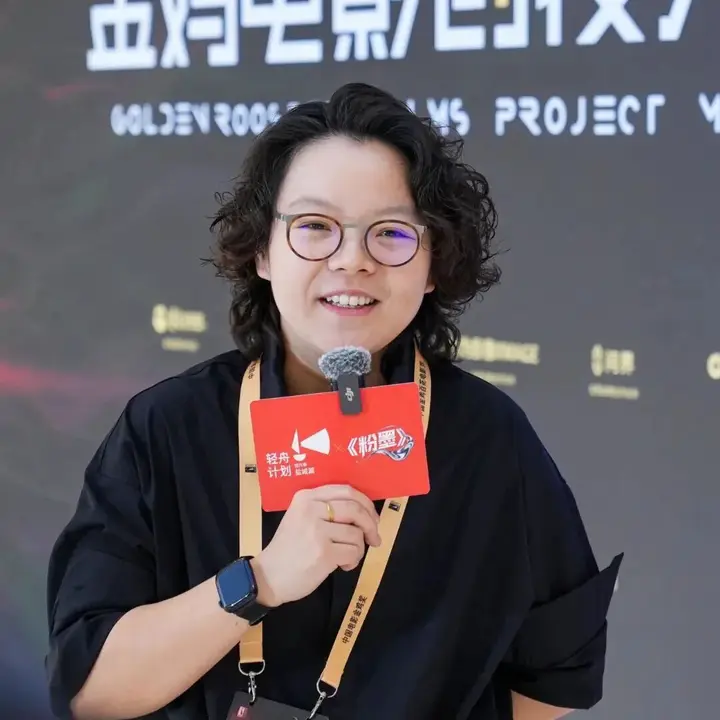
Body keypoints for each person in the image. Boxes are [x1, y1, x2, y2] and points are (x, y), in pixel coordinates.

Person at [45, 82, 622, 720]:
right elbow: (90, 690)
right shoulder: (167, 427)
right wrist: (260, 581)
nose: (352, 261)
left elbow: (556, 672)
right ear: (262, 251)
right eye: (315, 227)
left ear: (433, 263)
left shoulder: (487, 437)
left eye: (391, 233)